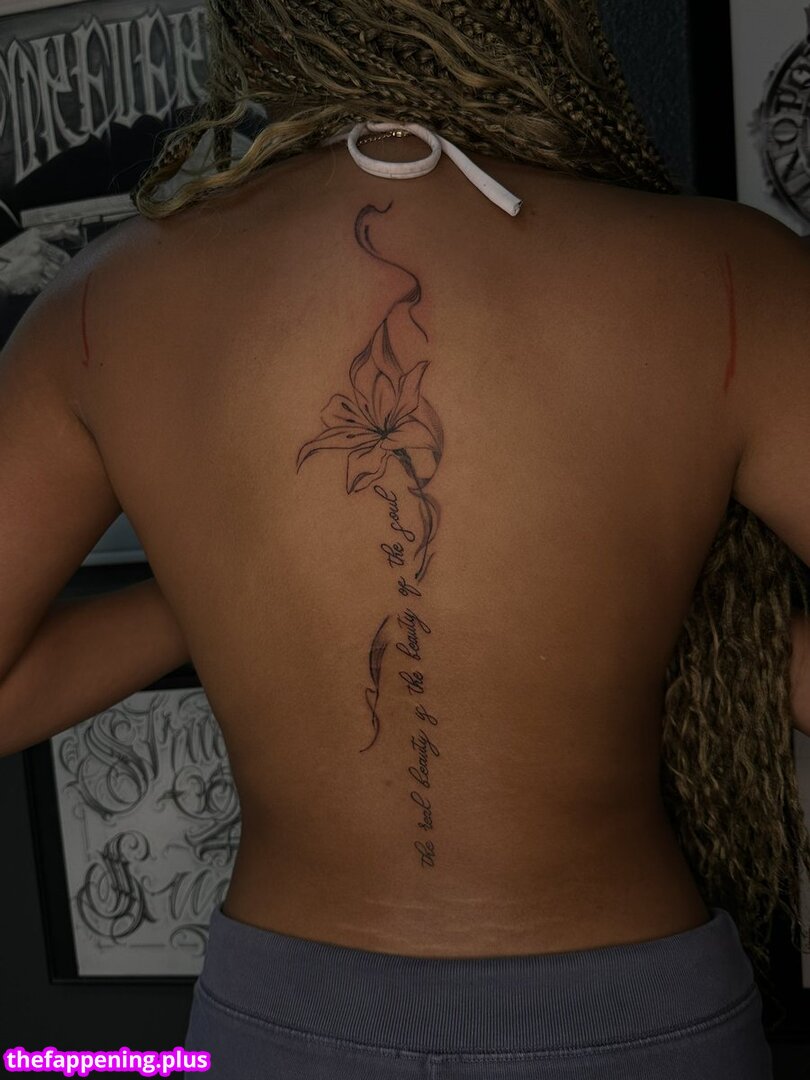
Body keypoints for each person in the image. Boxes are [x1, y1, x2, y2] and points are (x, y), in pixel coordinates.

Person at [0, 1, 808, 1077]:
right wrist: (690, 617)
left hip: (284, 1022)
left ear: (259, 28)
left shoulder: (102, 302)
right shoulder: (729, 278)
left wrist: (217, 592)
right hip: (632, 1018)